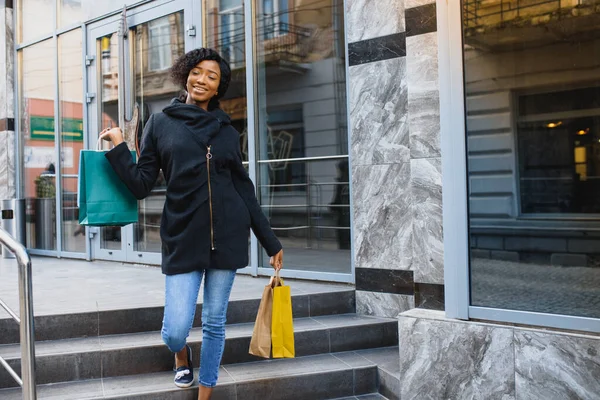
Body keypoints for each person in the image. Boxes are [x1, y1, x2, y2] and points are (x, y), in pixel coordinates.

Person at [100, 48, 284, 400]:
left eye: (211, 77)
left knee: (215, 323)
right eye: (197, 72)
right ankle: (180, 353)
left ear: (219, 88)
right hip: (183, 235)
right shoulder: (161, 123)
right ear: (186, 74)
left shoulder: (227, 129)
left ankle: (206, 393)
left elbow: (244, 189)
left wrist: (270, 241)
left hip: (228, 235)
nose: (202, 80)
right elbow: (141, 184)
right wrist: (121, 147)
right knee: (175, 329)